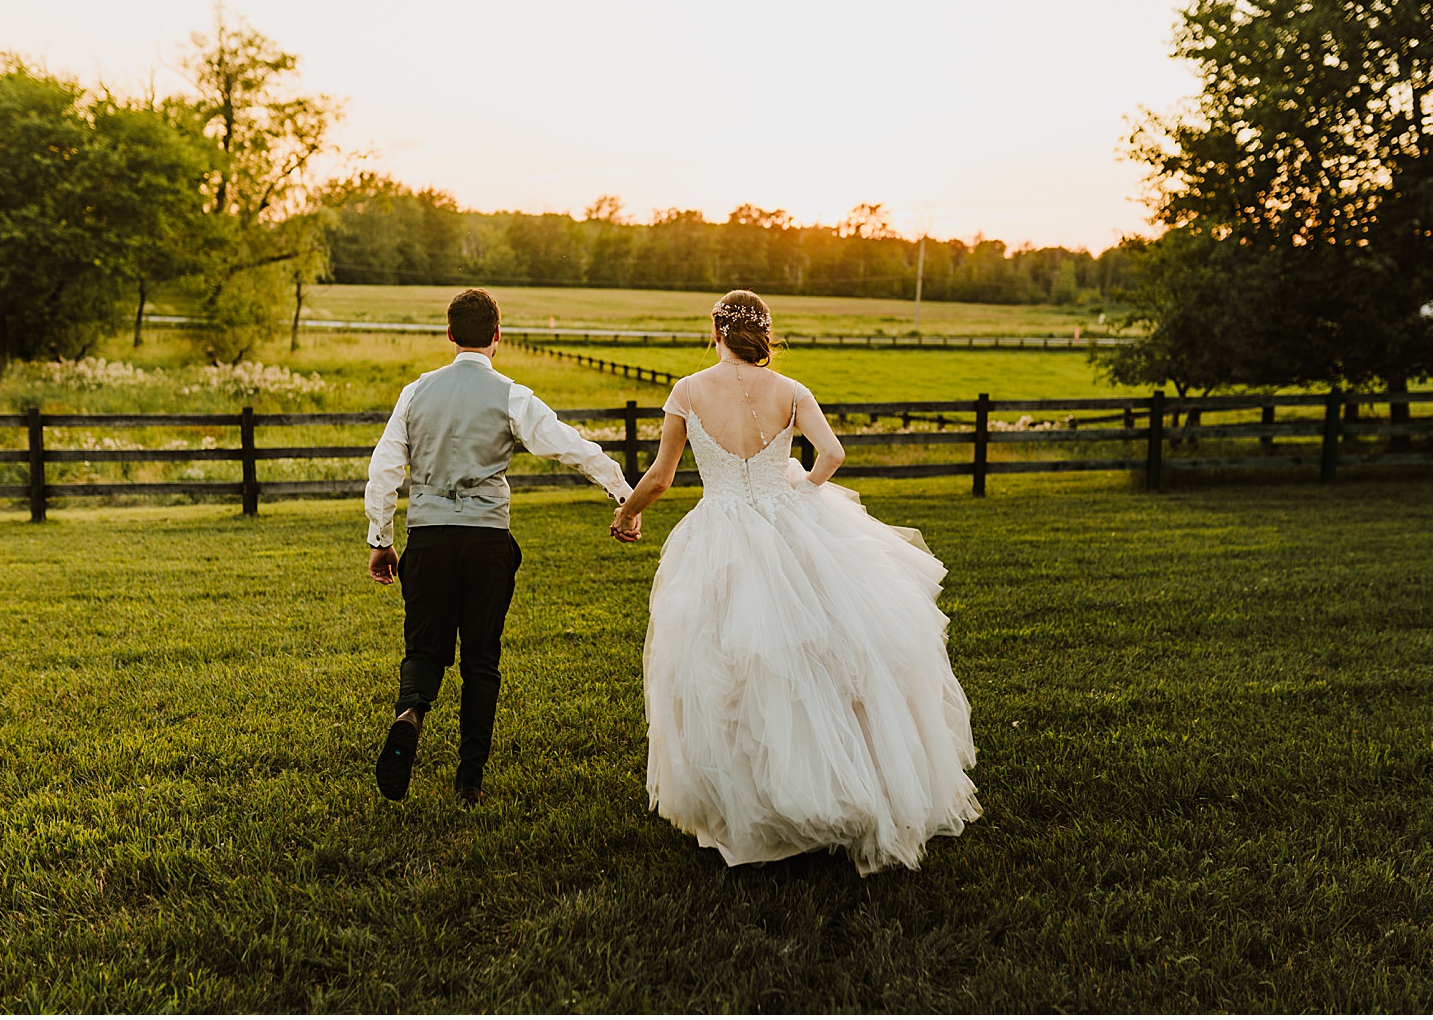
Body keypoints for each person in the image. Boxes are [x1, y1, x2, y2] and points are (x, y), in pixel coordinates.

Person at [609, 291, 980, 874]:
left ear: (716, 331)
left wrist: (627, 513)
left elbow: (659, 478)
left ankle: (752, 801)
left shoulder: (687, 390)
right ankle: (842, 781)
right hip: (789, 523)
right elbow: (831, 453)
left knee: (729, 661)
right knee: (825, 655)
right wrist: (802, 491)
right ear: (761, 334)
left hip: (722, 531)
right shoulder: (790, 389)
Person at [363, 286, 635, 806]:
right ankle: (469, 780)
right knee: (481, 660)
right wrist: (624, 496)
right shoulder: (512, 394)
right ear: (497, 336)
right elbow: (572, 447)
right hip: (487, 542)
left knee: (423, 648)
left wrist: (381, 539)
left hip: (428, 539)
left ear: (448, 334)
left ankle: (411, 714)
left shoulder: (416, 392)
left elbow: (384, 471)